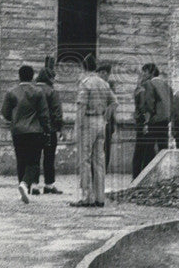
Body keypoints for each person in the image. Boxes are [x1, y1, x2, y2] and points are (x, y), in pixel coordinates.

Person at [0, 64, 50, 202]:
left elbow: (5, 113)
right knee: (33, 161)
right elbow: (44, 114)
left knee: (21, 160)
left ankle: (23, 190)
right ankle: (25, 184)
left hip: (17, 131)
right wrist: (46, 129)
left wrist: (14, 119)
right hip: (35, 130)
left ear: (19, 76)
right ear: (32, 76)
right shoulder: (38, 92)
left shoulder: (11, 92)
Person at [73, 54, 117, 207]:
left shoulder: (86, 83)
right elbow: (114, 102)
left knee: (84, 159)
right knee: (99, 161)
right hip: (101, 122)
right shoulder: (104, 83)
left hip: (88, 122)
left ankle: (86, 197)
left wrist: (77, 127)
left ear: (84, 68)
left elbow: (81, 107)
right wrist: (105, 117)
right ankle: (100, 197)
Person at [34, 67, 64, 194]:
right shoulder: (52, 92)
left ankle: (33, 185)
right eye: (53, 77)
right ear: (49, 78)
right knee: (49, 158)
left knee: (34, 157)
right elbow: (57, 111)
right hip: (49, 129)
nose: (54, 80)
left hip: (33, 129)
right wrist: (60, 128)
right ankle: (49, 185)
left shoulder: (31, 90)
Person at [144, 62, 173, 159]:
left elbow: (149, 104)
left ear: (150, 72)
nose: (144, 74)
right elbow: (171, 101)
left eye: (145, 72)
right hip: (165, 120)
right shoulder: (166, 85)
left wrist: (147, 122)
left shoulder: (149, 83)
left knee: (149, 149)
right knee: (163, 148)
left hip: (154, 120)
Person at [131, 65, 154, 178]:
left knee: (139, 150)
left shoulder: (139, 87)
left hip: (139, 120)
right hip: (143, 121)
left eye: (145, 72)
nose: (143, 74)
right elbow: (146, 105)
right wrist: (147, 122)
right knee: (145, 151)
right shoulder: (146, 86)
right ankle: (141, 177)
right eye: (143, 72)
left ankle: (136, 177)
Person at [96, 62, 117, 169]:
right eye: (100, 73)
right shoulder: (95, 85)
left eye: (104, 73)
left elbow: (113, 105)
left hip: (107, 121)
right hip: (95, 121)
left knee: (106, 146)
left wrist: (108, 120)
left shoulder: (109, 87)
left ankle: (104, 169)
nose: (102, 75)